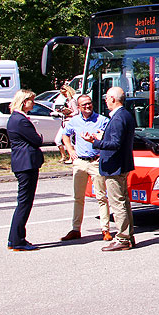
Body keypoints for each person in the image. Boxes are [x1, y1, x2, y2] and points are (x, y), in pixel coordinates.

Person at [82, 86, 136, 251]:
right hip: (120, 164)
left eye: (107, 97)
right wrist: (102, 136)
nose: (105, 100)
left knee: (118, 203)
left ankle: (123, 239)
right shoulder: (124, 115)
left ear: (113, 99)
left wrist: (95, 142)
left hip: (115, 166)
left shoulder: (119, 118)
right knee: (124, 202)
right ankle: (128, 236)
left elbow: (115, 144)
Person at [60, 94, 112, 242]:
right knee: (78, 197)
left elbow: (109, 138)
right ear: (78, 107)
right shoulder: (74, 121)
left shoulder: (102, 120)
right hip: (80, 162)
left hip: (96, 161)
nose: (88, 107)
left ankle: (105, 229)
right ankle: (76, 229)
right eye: (84, 105)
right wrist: (70, 150)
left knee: (102, 197)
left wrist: (98, 140)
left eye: (89, 103)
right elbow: (65, 135)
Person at [7, 89, 44, 251]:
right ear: (24, 102)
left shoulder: (16, 118)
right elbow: (36, 140)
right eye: (31, 101)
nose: (33, 103)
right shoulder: (20, 120)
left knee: (23, 202)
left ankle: (14, 238)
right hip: (26, 164)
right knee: (24, 203)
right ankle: (18, 240)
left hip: (23, 163)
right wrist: (39, 137)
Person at [54, 84, 79, 164]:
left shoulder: (72, 101)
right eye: (63, 94)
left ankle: (72, 157)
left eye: (65, 93)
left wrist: (69, 113)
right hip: (64, 121)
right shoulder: (66, 101)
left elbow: (76, 112)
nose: (64, 95)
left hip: (69, 121)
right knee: (58, 140)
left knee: (69, 140)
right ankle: (64, 156)